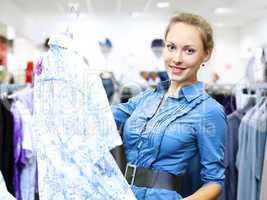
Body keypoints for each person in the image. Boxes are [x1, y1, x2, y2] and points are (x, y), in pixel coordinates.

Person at [112, 12, 227, 200]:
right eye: (171, 47)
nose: (177, 59)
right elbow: (100, 116)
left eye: (189, 50)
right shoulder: (147, 97)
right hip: (118, 193)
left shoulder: (209, 111)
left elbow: (215, 181)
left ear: (206, 54)